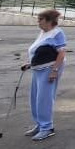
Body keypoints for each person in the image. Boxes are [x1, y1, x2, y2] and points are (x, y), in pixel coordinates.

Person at [21, 9, 66, 141]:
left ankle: (47, 128)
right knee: (35, 98)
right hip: (38, 69)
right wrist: (29, 64)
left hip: (49, 69)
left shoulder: (57, 33)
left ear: (48, 21)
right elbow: (39, 51)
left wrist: (54, 71)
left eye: (40, 19)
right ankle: (40, 124)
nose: (38, 22)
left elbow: (62, 54)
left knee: (44, 99)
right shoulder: (43, 33)